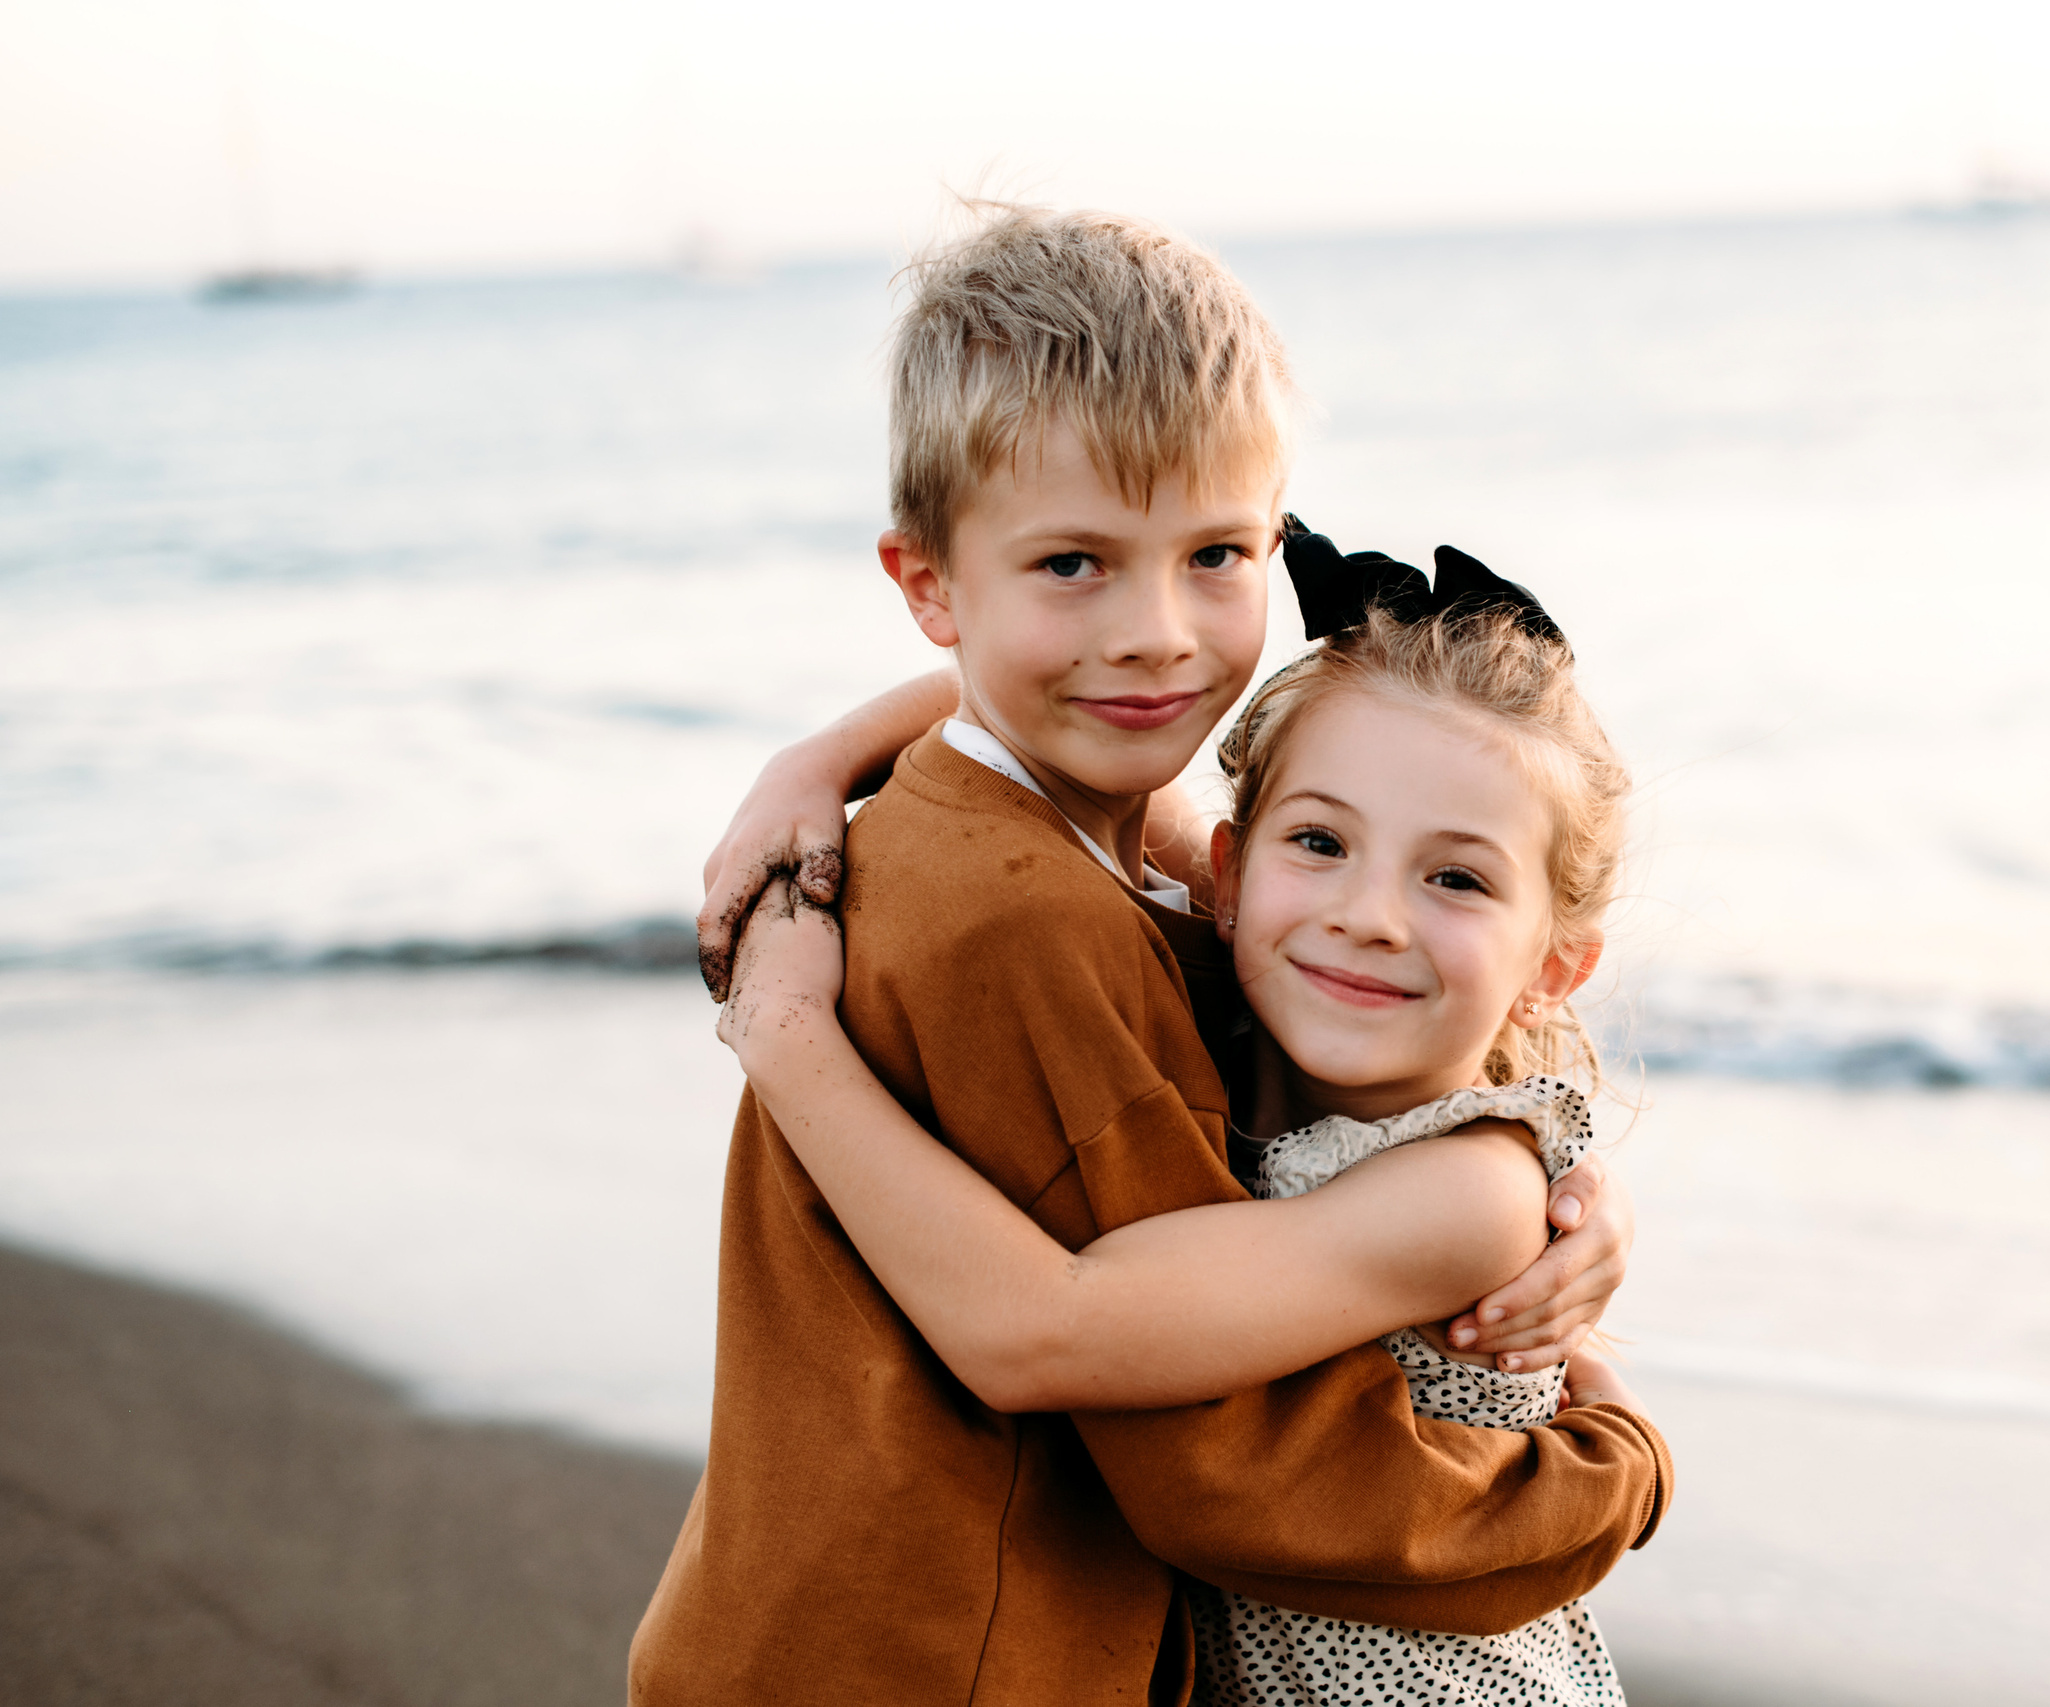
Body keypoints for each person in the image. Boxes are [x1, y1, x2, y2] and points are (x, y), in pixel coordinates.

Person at [627, 205, 1669, 1707]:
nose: (1158, 637)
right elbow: (1208, 1445)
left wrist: (829, 748)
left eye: (1218, 554)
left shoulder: (1085, 846)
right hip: (950, 1663)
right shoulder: (1030, 923)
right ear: (928, 586)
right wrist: (1607, 1469)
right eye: (1075, 565)